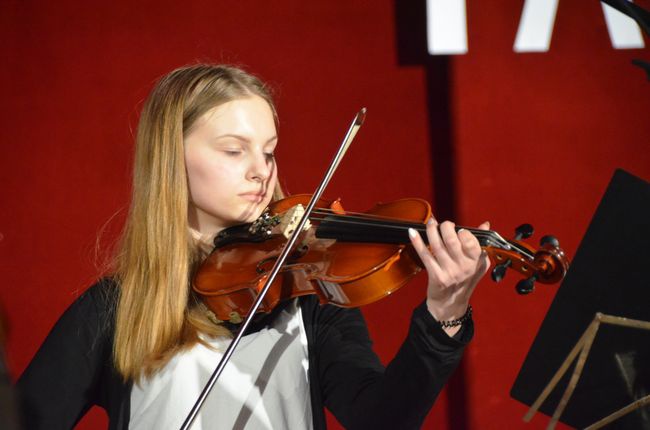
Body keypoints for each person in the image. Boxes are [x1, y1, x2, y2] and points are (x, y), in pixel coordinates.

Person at [16, 64, 490, 430]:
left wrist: (443, 313)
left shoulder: (307, 295)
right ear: (170, 157)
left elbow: (382, 419)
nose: (260, 171)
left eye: (268, 150)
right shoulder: (115, 310)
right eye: (233, 150)